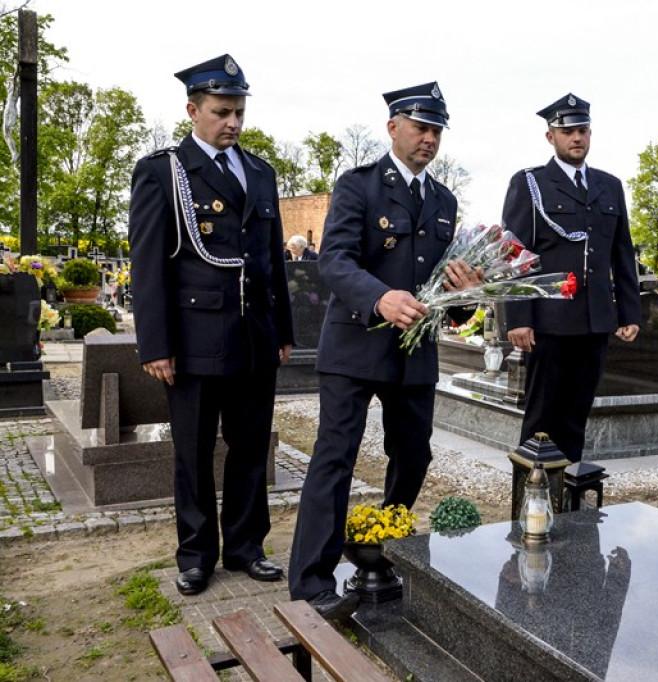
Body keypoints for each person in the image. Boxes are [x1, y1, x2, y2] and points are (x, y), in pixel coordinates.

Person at [288, 82, 480, 620]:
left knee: (414, 455)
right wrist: (380, 297)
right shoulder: (358, 186)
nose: (429, 139)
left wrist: (465, 297)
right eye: (421, 127)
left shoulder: (444, 201)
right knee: (335, 460)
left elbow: (447, 297)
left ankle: (381, 547)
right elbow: (334, 262)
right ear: (393, 126)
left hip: (414, 356)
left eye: (437, 130)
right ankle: (310, 581)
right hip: (354, 346)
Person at [128, 55, 294, 596]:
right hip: (195, 339)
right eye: (222, 112)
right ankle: (196, 555)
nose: (234, 123)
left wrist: (284, 330)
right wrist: (155, 344)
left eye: (239, 112)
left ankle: (246, 546)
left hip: (254, 337)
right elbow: (148, 263)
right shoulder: (162, 171)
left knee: (250, 447)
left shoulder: (262, 173)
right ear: (192, 110)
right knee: (193, 451)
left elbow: (272, 260)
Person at [501, 93, 642, 463]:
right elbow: (513, 254)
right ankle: (531, 508)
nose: (576, 138)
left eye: (582, 130)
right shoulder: (530, 183)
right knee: (541, 420)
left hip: (594, 323)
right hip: (548, 323)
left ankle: (569, 506)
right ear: (551, 137)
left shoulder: (608, 186)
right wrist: (517, 318)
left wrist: (629, 312)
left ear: (590, 134)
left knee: (576, 417)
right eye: (567, 132)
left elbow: (621, 252)